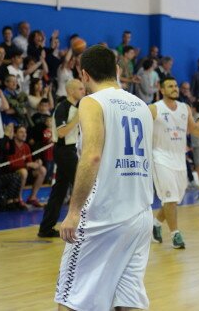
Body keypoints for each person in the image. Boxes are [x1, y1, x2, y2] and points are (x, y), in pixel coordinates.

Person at [56, 45, 154, 311]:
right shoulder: (143, 106)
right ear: (118, 71)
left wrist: (74, 211)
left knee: (71, 296)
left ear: (84, 74)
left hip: (103, 216)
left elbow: (92, 156)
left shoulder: (91, 102)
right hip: (141, 215)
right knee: (128, 300)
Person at [149, 76, 199, 247]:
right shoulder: (154, 109)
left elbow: (192, 129)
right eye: (170, 86)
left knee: (174, 198)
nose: (174, 88)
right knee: (170, 198)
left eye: (176, 85)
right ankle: (175, 235)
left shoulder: (185, 108)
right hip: (160, 157)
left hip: (179, 159)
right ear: (161, 90)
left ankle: (156, 224)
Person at [37, 79, 86, 238]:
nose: (83, 91)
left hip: (71, 150)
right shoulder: (62, 108)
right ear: (71, 91)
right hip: (64, 151)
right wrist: (78, 118)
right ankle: (88, 224)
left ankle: (46, 228)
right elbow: (63, 132)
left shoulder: (75, 107)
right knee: (82, 185)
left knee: (59, 191)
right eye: (80, 88)